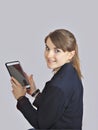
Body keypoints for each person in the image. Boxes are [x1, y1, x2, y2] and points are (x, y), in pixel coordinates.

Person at [11, 29, 83, 130]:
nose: (49, 55)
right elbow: (53, 108)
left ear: (70, 54)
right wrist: (34, 93)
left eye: (57, 51)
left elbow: (40, 124)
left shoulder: (58, 86)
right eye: (47, 48)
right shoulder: (71, 73)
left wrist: (21, 98)